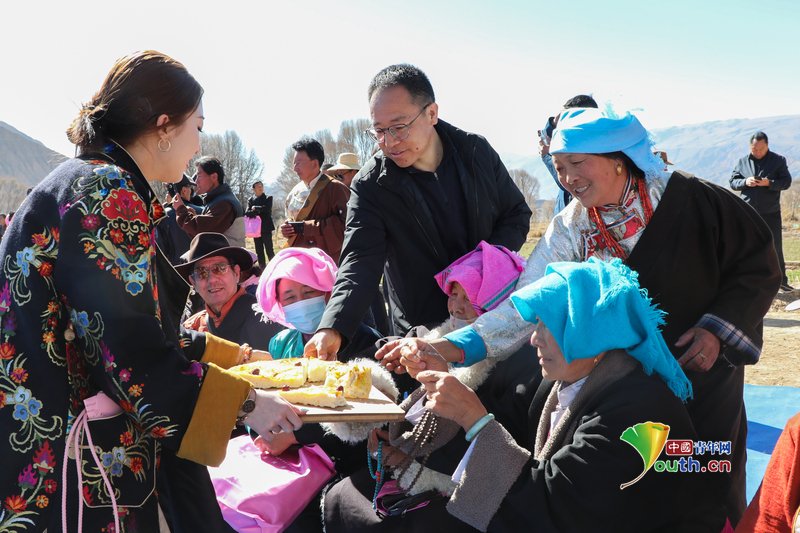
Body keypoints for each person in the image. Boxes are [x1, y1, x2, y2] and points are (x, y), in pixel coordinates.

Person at [380, 107, 781, 525]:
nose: (568, 178)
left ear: (618, 159)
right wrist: (446, 345)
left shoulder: (692, 198)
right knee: (625, 484)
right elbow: (522, 307)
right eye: (559, 167)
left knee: (700, 470)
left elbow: (757, 263)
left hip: (700, 371)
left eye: (577, 164)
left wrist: (716, 329)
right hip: (618, 384)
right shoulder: (571, 228)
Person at [0, 50, 303, 532]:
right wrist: (248, 403)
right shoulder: (108, 191)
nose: (198, 142)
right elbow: (131, 352)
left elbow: (127, 327)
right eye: (197, 127)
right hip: (70, 465)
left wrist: (242, 359)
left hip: (43, 448)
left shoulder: (83, 182)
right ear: (164, 126)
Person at [327, 259, 718, 532]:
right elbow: (505, 429)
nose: (533, 338)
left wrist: (476, 421)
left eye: (547, 326)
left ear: (590, 335)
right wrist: (439, 390)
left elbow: (555, 510)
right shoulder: (565, 379)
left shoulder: (640, 415)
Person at [305, 63, 531, 359]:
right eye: (379, 131)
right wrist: (332, 327)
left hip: (489, 316)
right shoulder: (372, 184)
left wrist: (480, 271)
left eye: (399, 128)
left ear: (431, 113)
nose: (389, 142)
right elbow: (360, 259)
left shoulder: (475, 152)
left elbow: (515, 214)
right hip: (420, 329)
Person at [256, 247, 380, 359]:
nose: (301, 303)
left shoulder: (367, 340)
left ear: (329, 292)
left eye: (309, 291)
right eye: (289, 298)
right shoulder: (281, 344)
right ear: (280, 304)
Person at [179, 232, 283, 351]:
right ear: (193, 282)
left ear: (236, 273)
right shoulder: (192, 328)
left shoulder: (268, 318)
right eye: (201, 272)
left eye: (220, 269)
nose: (212, 280)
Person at [730, 131, 794, 292]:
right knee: (746, 246)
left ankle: (781, 282)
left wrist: (768, 183)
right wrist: (746, 181)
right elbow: (733, 182)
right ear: (750, 146)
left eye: (760, 149)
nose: (757, 152)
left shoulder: (778, 161)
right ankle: (746, 281)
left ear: (767, 145)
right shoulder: (742, 161)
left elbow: (786, 182)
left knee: (774, 246)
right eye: (754, 149)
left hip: (770, 212)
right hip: (747, 211)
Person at [281, 138, 351, 263]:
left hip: (326, 261)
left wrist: (306, 227)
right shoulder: (294, 192)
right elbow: (291, 219)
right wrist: (287, 229)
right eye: (294, 163)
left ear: (314, 163)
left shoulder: (336, 188)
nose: (294, 168)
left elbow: (347, 225)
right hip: (300, 258)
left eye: (298, 163)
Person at [538, 94, 598, 216]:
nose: (569, 178)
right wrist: (553, 122)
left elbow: (569, 181)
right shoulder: (566, 141)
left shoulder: (591, 148)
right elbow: (546, 135)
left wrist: (545, 156)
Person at [175, 155, 247, 248]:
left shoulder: (224, 203)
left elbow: (200, 230)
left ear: (214, 177)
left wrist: (181, 210)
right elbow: (200, 237)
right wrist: (191, 214)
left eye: (199, 175)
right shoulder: (218, 200)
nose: (196, 182)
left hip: (229, 261)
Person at [156, 173, 200, 264]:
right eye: (190, 188)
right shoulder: (201, 211)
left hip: (173, 271)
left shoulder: (160, 215)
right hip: (198, 268)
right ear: (184, 190)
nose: (191, 192)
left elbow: (158, 249)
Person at [245, 180, 276, 268]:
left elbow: (267, 210)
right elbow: (247, 212)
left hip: (266, 228)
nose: (260, 188)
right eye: (258, 187)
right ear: (253, 189)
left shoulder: (268, 198)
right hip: (255, 229)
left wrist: (255, 209)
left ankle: (274, 268)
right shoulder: (250, 199)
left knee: (269, 249)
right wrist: (257, 211)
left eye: (261, 186)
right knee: (259, 250)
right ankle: (262, 269)